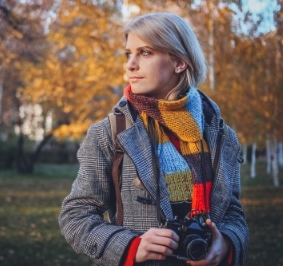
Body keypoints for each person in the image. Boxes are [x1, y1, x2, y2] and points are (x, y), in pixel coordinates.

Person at [59, 13, 248, 266]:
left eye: (145, 53)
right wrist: (131, 247)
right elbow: (75, 216)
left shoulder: (220, 135)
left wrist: (225, 244)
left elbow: (233, 212)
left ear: (180, 62)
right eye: (129, 54)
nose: (130, 65)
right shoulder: (110, 132)